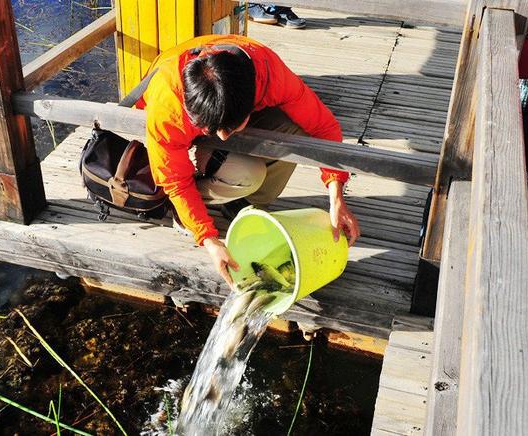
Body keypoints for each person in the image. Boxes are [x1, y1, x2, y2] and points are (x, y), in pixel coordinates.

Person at [135, 34, 361, 287]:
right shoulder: (168, 106)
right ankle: (184, 211)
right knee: (245, 174)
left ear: (253, 102)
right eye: (214, 131)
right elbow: (175, 180)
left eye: (229, 129)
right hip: (179, 122)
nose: (222, 136)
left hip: (223, 106)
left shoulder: (270, 74)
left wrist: (336, 196)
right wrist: (208, 238)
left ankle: (244, 204)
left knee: (295, 130)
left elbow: (324, 127)